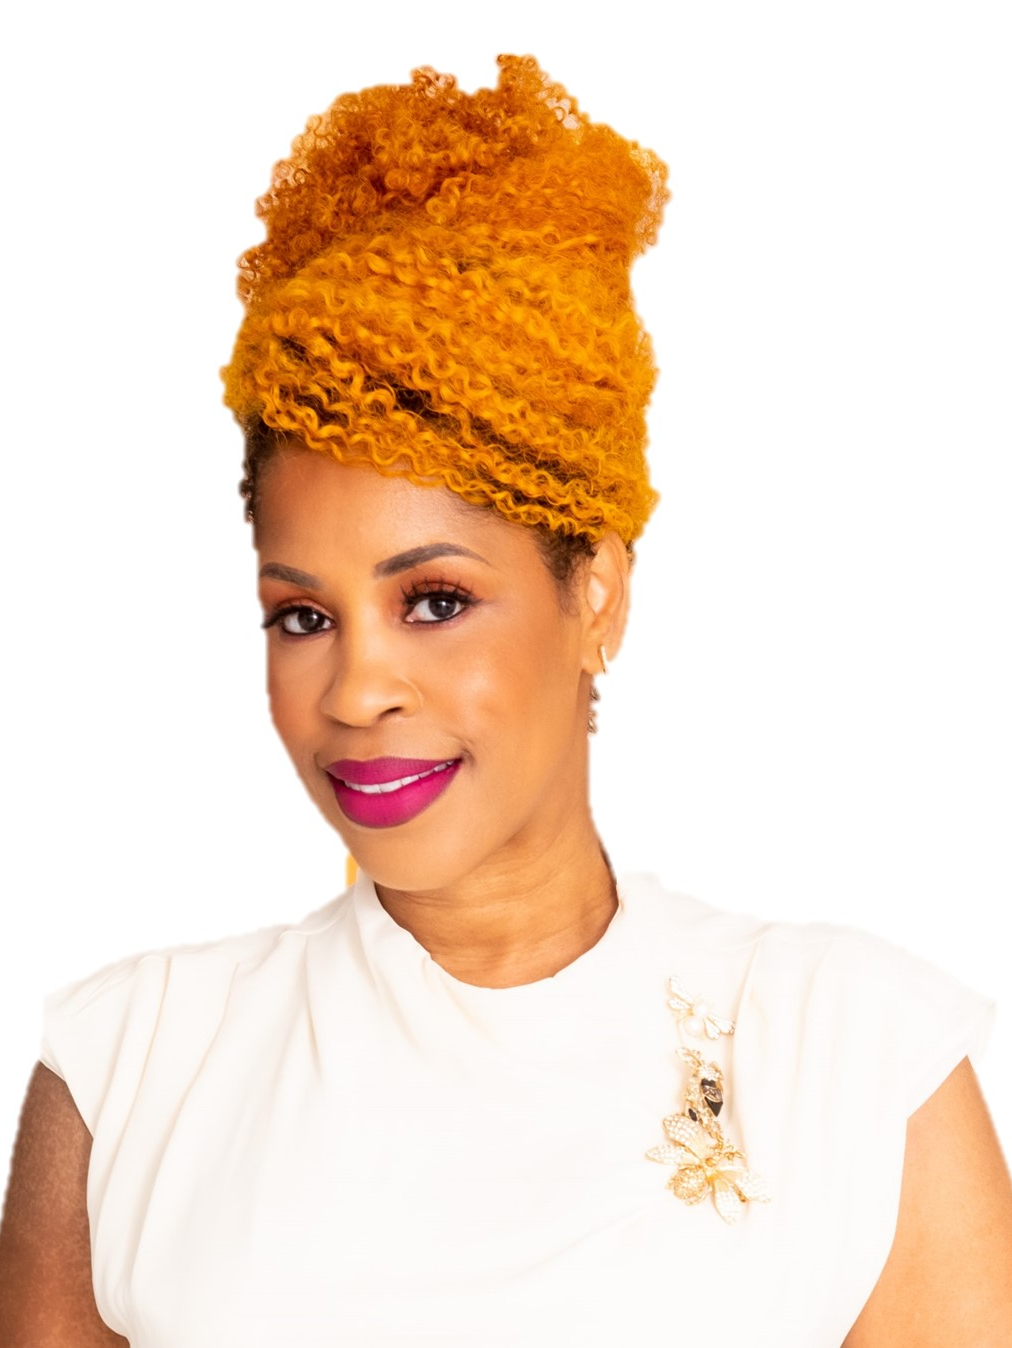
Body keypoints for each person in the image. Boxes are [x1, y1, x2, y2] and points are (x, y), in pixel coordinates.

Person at [1, 54, 1010, 1347]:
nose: (357, 689)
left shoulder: (855, 1058)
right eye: (303, 616)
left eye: (433, 600)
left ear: (596, 596)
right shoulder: (132, 1067)